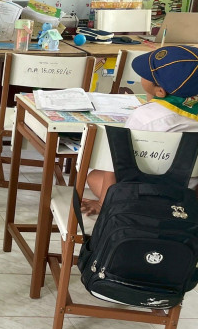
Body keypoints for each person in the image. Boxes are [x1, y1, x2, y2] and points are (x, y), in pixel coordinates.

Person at [83, 45, 198, 215]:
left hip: (140, 197)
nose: (142, 75)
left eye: (147, 75)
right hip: (188, 197)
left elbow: (115, 164)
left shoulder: (145, 117)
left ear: (160, 91)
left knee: (93, 176)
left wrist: (103, 203)